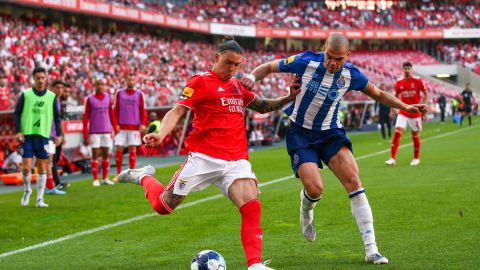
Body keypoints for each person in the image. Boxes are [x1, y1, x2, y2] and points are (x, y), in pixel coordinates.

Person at [116, 36, 300, 270]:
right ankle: (142, 176)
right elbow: (177, 111)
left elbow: (262, 106)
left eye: (237, 65)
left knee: (252, 206)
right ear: (216, 58)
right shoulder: (200, 82)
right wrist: (162, 133)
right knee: (164, 206)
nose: (232, 69)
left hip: (236, 160)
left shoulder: (236, 85)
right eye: (228, 63)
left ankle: (255, 265)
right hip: (204, 157)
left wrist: (289, 97)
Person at [242, 33, 427, 265]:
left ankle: (372, 249)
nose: (333, 62)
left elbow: (378, 94)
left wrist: (405, 106)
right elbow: (269, 66)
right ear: (323, 50)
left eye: (338, 59)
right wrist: (251, 76)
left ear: (347, 56)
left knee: (354, 182)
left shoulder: (352, 75)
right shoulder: (307, 61)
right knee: (315, 188)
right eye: (329, 56)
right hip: (300, 133)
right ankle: (306, 209)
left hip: (330, 133)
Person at [14, 67, 63, 207]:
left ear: (46, 79)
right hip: (27, 135)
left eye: (43, 78)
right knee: (26, 168)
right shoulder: (26, 94)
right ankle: (27, 190)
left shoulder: (51, 97)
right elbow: (17, 113)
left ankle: (39, 199)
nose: (40, 80)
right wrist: (18, 131)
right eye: (38, 78)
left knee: (42, 167)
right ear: (33, 79)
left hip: (44, 136)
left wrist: (58, 134)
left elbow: (57, 117)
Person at [385, 61, 428, 166]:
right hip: (403, 111)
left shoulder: (417, 80)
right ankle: (392, 158)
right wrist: (392, 110)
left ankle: (416, 158)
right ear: (403, 69)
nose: (407, 70)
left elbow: (426, 93)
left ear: (411, 69)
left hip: (415, 112)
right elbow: (394, 97)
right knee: (397, 132)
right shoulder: (399, 82)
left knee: (415, 135)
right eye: (405, 68)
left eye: (409, 68)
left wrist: (425, 106)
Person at [83, 78, 116, 186]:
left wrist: (115, 127)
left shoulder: (108, 98)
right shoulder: (90, 99)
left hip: (106, 130)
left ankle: (105, 178)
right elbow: (85, 117)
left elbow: (111, 114)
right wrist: (85, 134)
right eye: (98, 84)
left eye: (102, 84)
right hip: (94, 131)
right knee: (95, 154)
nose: (100, 86)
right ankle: (95, 179)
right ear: (95, 85)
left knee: (107, 154)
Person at [113, 73, 148, 174]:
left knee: (132, 147)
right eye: (129, 80)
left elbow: (143, 110)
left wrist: (143, 123)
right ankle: (118, 173)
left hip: (134, 126)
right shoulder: (119, 93)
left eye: (133, 80)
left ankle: (132, 172)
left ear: (135, 81)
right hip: (121, 126)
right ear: (126, 81)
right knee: (119, 147)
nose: (131, 82)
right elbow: (115, 110)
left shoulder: (139, 94)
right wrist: (115, 124)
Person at [45, 79, 66, 195]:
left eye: (61, 88)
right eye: (57, 87)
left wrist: (59, 134)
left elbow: (58, 120)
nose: (59, 90)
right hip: (46, 134)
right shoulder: (49, 99)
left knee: (50, 161)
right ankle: (49, 187)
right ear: (52, 88)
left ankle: (50, 185)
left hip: (53, 135)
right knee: (47, 161)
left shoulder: (57, 101)